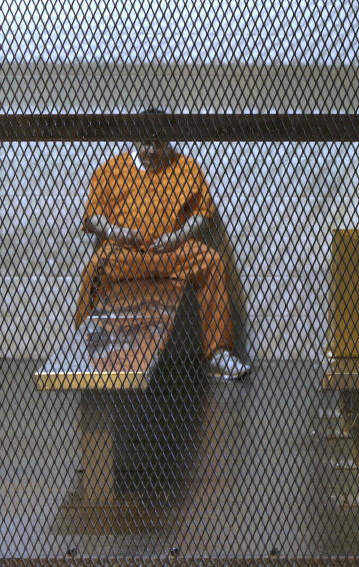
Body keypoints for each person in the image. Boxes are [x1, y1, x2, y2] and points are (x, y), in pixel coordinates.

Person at [74, 113, 251, 380]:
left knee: (212, 261)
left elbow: (204, 213)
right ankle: (82, 349)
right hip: (127, 252)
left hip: (172, 252)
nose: (151, 151)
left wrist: (179, 236)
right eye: (145, 143)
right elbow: (93, 215)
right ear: (134, 140)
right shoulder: (110, 169)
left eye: (158, 143)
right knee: (95, 268)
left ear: (167, 141)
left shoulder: (186, 167)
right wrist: (115, 232)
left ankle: (218, 354)